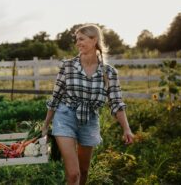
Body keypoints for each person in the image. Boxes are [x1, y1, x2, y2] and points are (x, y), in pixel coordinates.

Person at [42, 24, 134, 185]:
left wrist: (126, 128)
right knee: (73, 174)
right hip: (65, 117)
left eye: (81, 39)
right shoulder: (68, 66)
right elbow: (55, 97)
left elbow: (116, 102)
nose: (78, 43)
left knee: (84, 172)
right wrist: (45, 125)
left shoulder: (109, 72)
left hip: (89, 120)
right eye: (77, 39)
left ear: (94, 40)